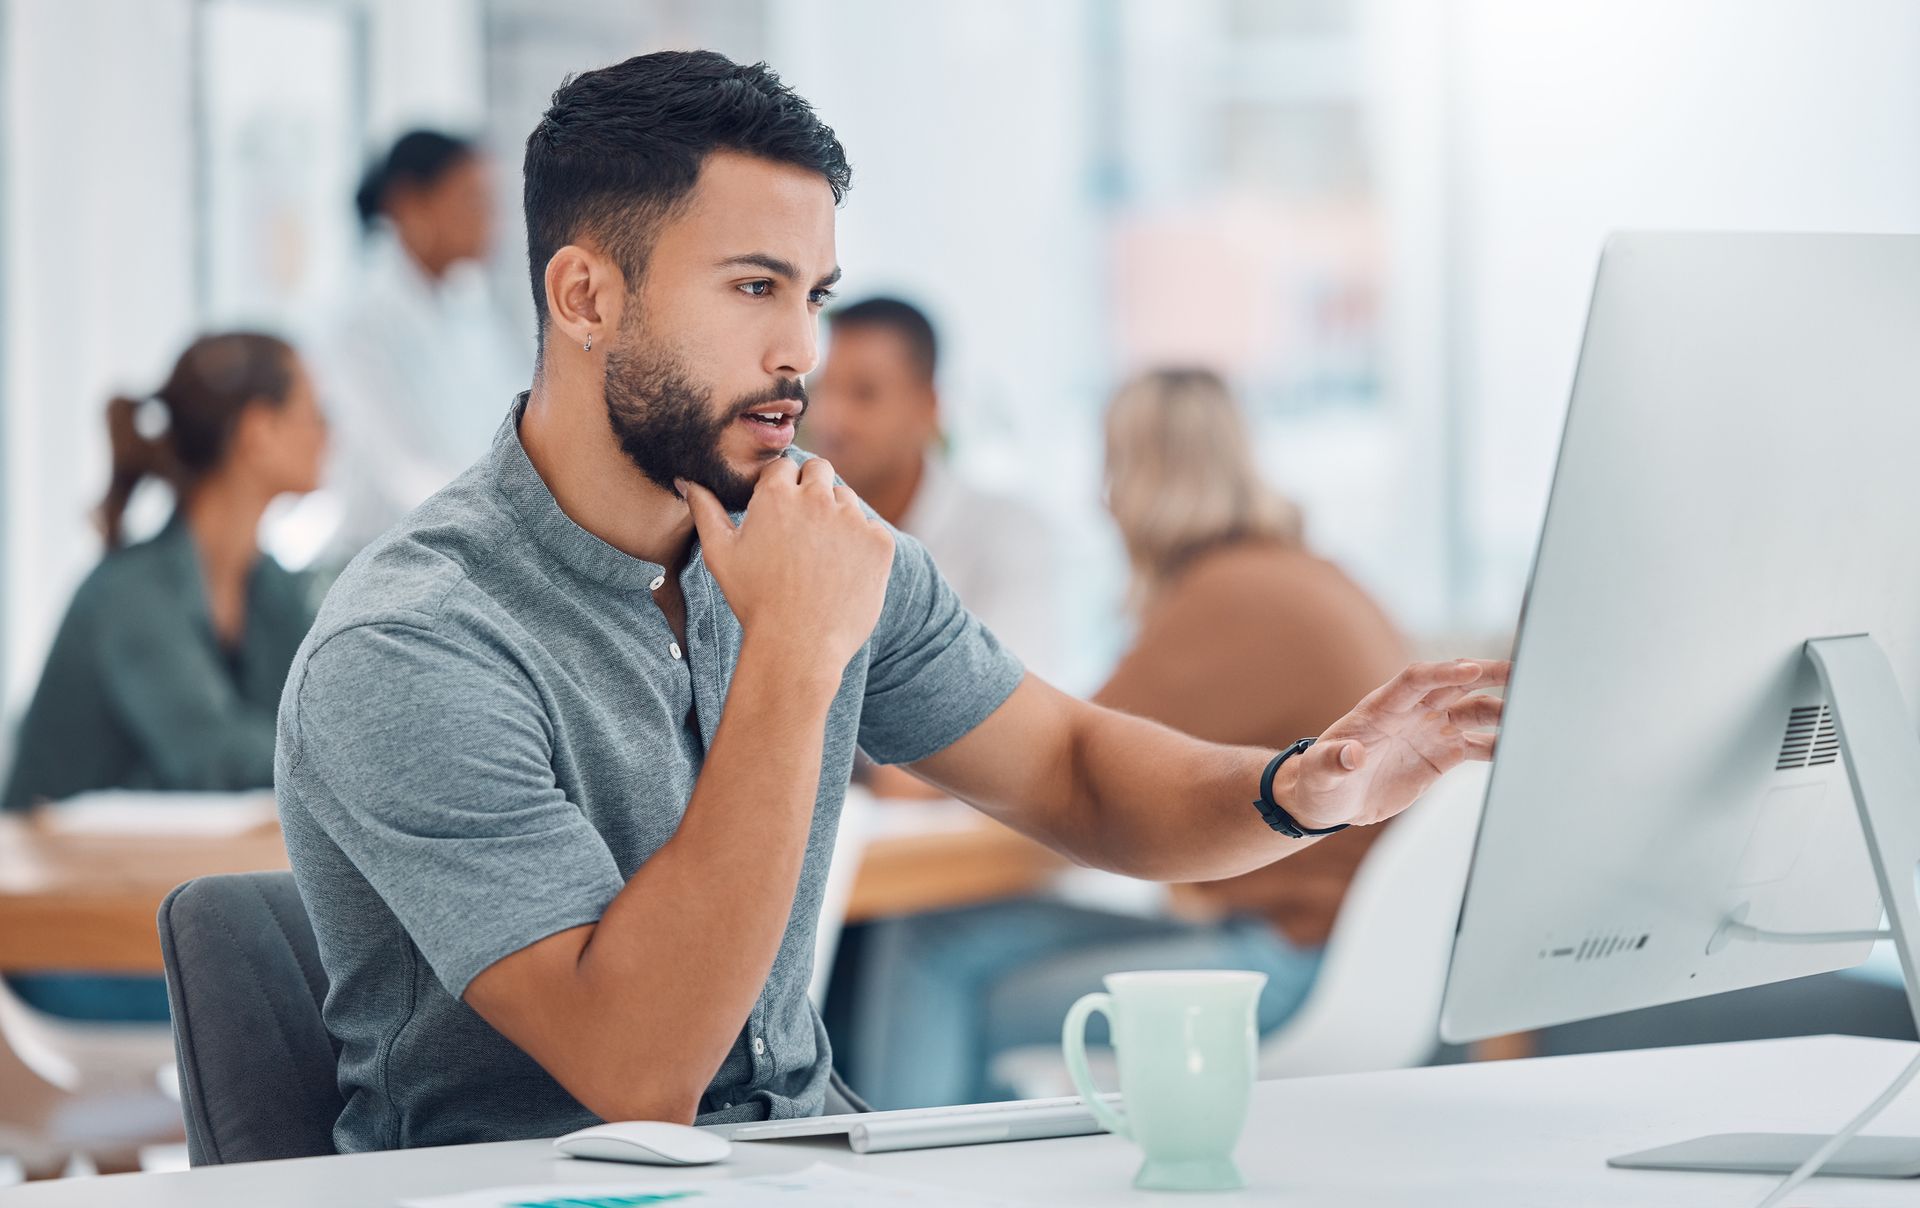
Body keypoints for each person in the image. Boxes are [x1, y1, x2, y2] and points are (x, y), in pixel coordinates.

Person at [276, 50, 1505, 1153]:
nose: (801, 350)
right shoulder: (414, 641)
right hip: (534, 1185)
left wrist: (1298, 785)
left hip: (809, 1161)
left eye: (813, 293)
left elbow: (1072, 769)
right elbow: (638, 1070)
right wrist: (796, 652)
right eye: (755, 288)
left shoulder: (824, 543)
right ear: (587, 297)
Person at [840, 367, 1410, 1108]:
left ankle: (900, 1183)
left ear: (1137, 478)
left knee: (931, 957)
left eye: (1108, 469)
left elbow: (1046, 763)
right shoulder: (1305, 576)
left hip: (1288, 963)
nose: (1099, 499)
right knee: (938, 940)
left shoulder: (1224, 597)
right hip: (1348, 951)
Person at [2, 332, 327, 1019]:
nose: (328, 434)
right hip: (72, 940)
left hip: (173, 916)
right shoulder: (129, 593)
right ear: (258, 431)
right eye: (313, 412)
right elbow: (216, 754)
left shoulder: (268, 587)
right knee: (311, 1004)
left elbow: (316, 722)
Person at [806, 297, 1058, 675]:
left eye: (864, 393)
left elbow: (1009, 701)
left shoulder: (1008, 534)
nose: (830, 418)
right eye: (824, 390)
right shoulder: (796, 530)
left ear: (929, 406)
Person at [313, 129, 529, 560]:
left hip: (473, 537)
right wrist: (510, 522)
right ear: (411, 204)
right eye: (474, 201)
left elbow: (521, 415)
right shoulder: (362, 316)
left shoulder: (468, 304)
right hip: (393, 553)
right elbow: (400, 467)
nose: (493, 222)